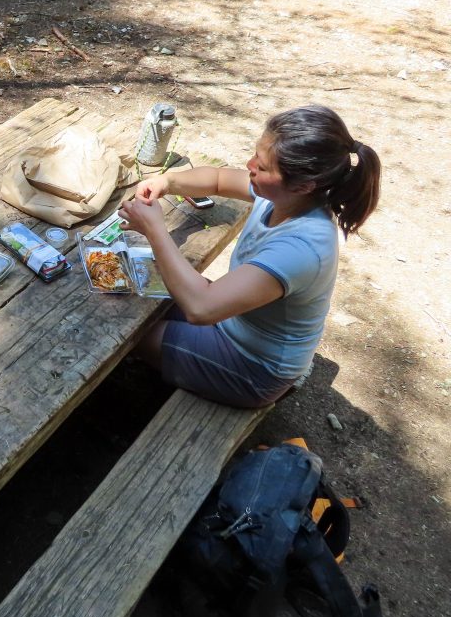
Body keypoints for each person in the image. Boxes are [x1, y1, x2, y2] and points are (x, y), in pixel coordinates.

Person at [117, 104, 381, 408]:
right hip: (233, 323)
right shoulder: (282, 196)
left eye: (263, 166)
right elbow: (217, 179)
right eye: (256, 154)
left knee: (131, 335)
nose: (250, 165)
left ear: (305, 185)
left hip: (254, 367)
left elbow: (200, 309)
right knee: (139, 287)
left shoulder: (302, 248)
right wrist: (168, 182)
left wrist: (155, 230)